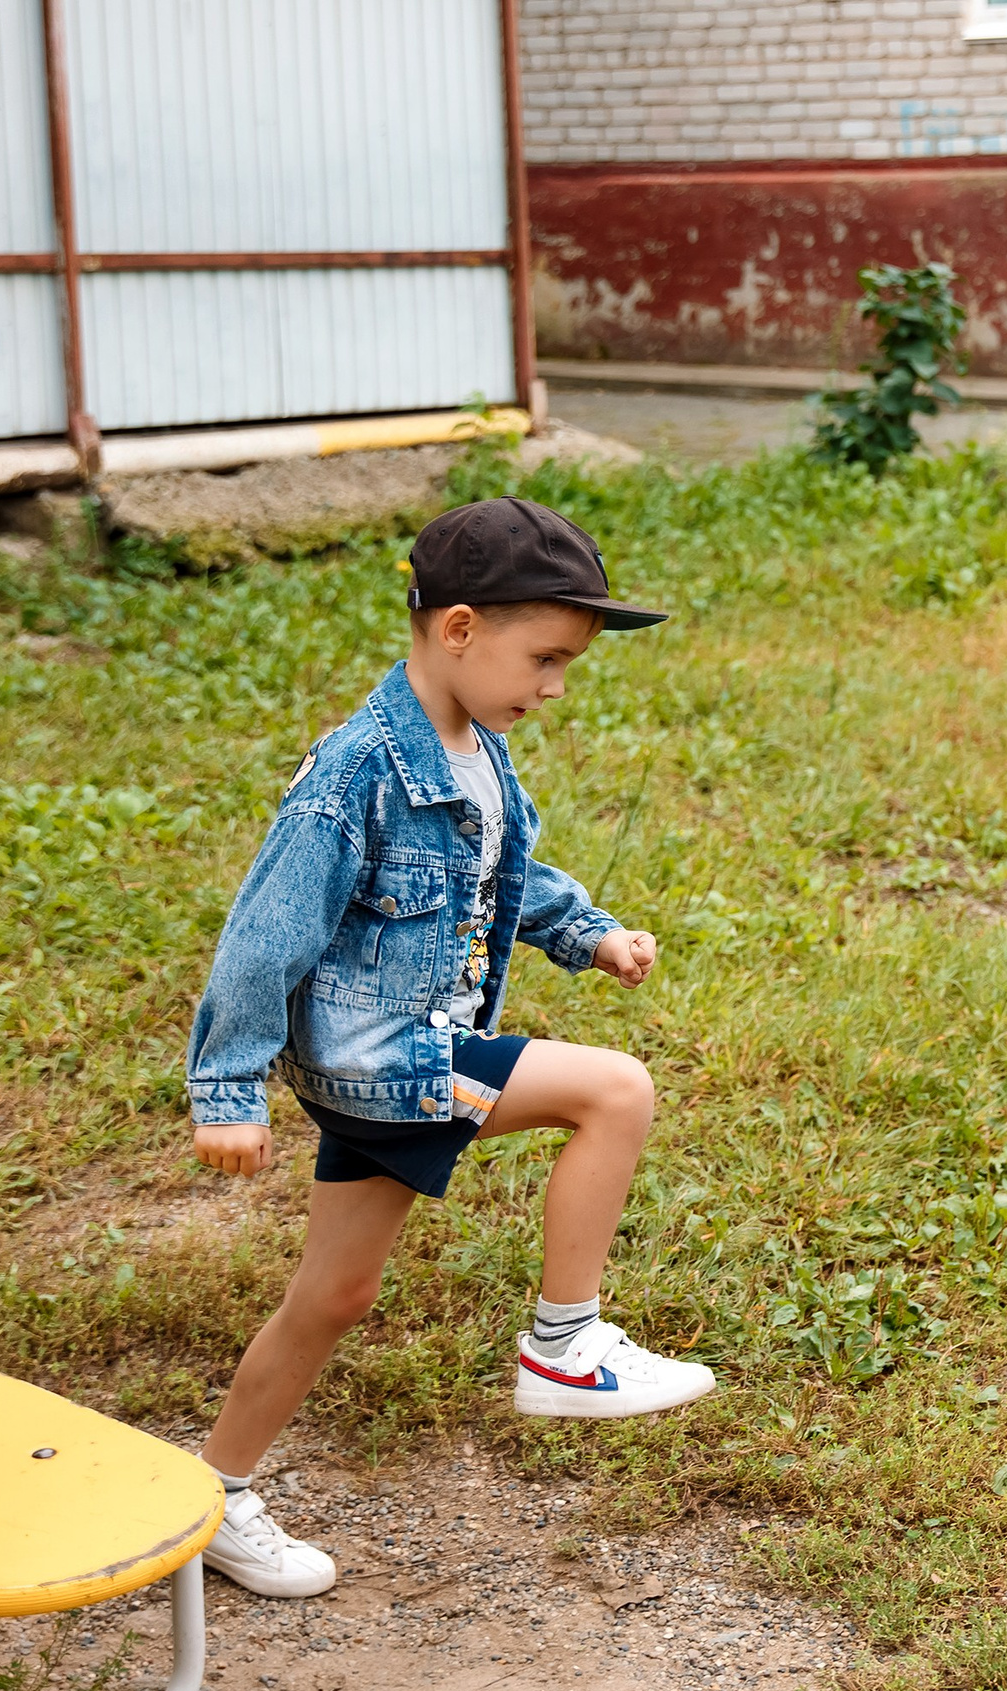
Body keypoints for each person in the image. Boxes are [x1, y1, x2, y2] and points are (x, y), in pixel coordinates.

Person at [183, 497, 715, 1597]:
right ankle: (564, 1348)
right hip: (387, 1065)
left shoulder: (473, 746)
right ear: (461, 629)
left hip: (403, 1057)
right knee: (614, 1092)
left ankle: (215, 1494)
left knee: (333, 1295)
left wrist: (587, 933)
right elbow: (261, 943)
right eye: (549, 657)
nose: (558, 685)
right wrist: (226, 1090)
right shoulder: (354, 776)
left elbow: (500, 872)